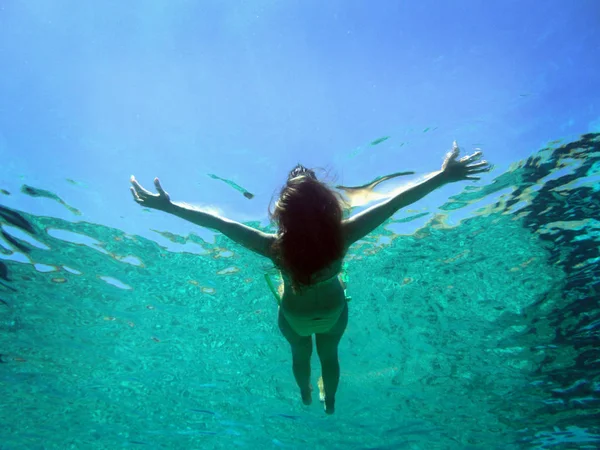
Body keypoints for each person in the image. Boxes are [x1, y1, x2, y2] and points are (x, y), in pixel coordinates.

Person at [130, 141, 491, 414]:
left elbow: (219, 224)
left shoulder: (273, 247)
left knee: (300, 354)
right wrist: (444, 176)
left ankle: (304, 394)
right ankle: (328, 399)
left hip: (294, 316)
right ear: (325, 203)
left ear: (283, 211)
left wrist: (169, 206)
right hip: (334, 310)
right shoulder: (345, 234)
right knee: (330, 355)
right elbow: (396, 202)